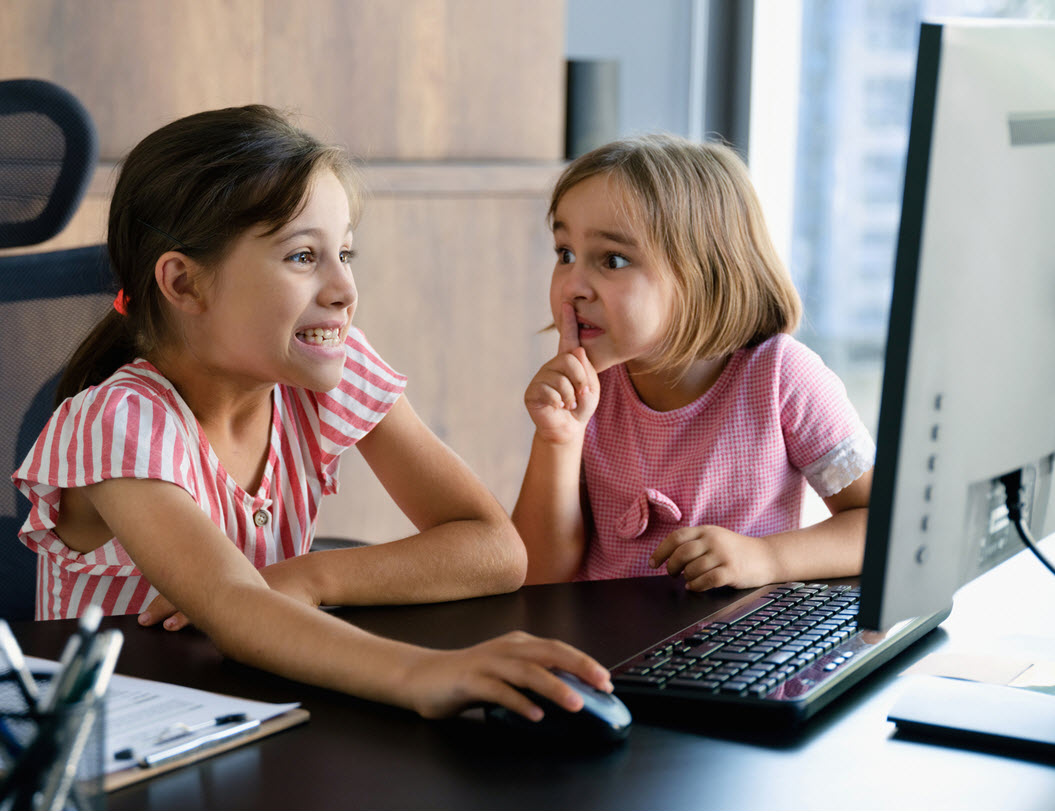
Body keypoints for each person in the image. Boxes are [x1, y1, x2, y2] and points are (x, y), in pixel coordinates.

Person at [13, 105, 611, 721]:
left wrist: (311, 577)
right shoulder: (119, 423)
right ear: (184, 284)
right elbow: (234, 606)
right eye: (303, 257)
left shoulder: (326, 371)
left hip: (256, 705)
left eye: (345, 254)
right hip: (115, 741)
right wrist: (423, 672)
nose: (343, 290)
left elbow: (495, 550)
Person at [513, 133, 875, 591]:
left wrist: (768, 558)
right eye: (565, 254)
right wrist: (558, 439)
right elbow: (539, 573)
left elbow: (878, 527)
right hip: (608, 654)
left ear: (703, 272)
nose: (573, 286)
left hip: (739, 651)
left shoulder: (782, 377)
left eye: (613, 259)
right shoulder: (588, 390)